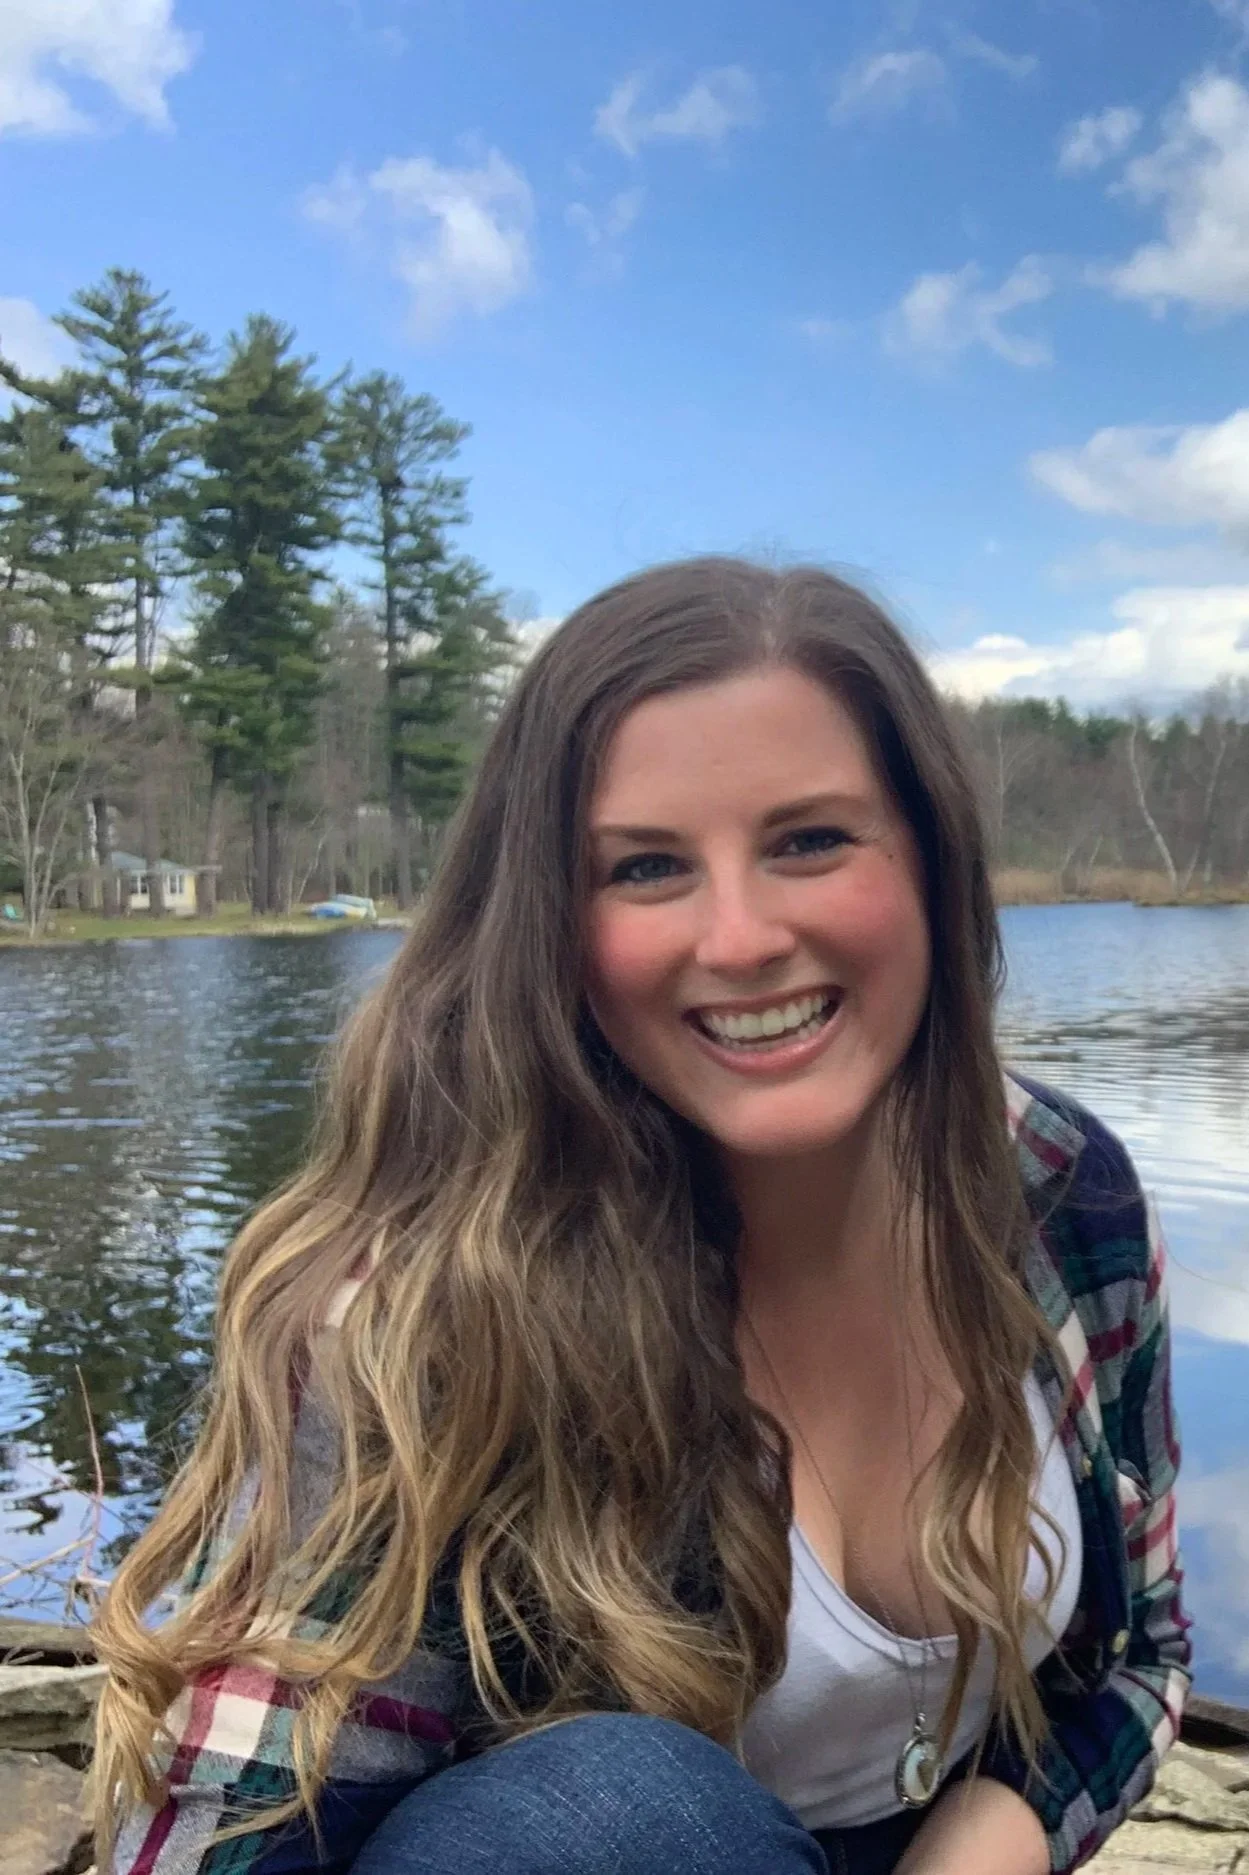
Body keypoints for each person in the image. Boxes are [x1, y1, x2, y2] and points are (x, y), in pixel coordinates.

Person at [93, 558, 1191, 1875]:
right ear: (554, 923)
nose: (736, 938)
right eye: (647, 866)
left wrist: (980, 1844)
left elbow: (1136, 1659)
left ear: (933, 861)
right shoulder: (427, 1299)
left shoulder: (1064, 1189)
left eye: (809, 839)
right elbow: (232, 1827)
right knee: (628, 1812)